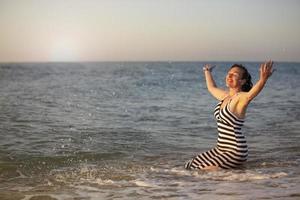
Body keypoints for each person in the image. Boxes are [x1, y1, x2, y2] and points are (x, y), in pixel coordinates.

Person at [185, 61, 274, 170]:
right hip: (220, 149)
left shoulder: (240, 98)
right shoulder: (225, 96)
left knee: (201, 170)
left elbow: (250, 96)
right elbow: (211, 87)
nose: (230, 75)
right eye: (229, 73)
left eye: (235, 74)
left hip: (235, 150)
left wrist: (263, 79)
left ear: (242, 81)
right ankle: (234, 172)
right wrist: (207, 71)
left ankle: (226, 180)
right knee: (189, 165)